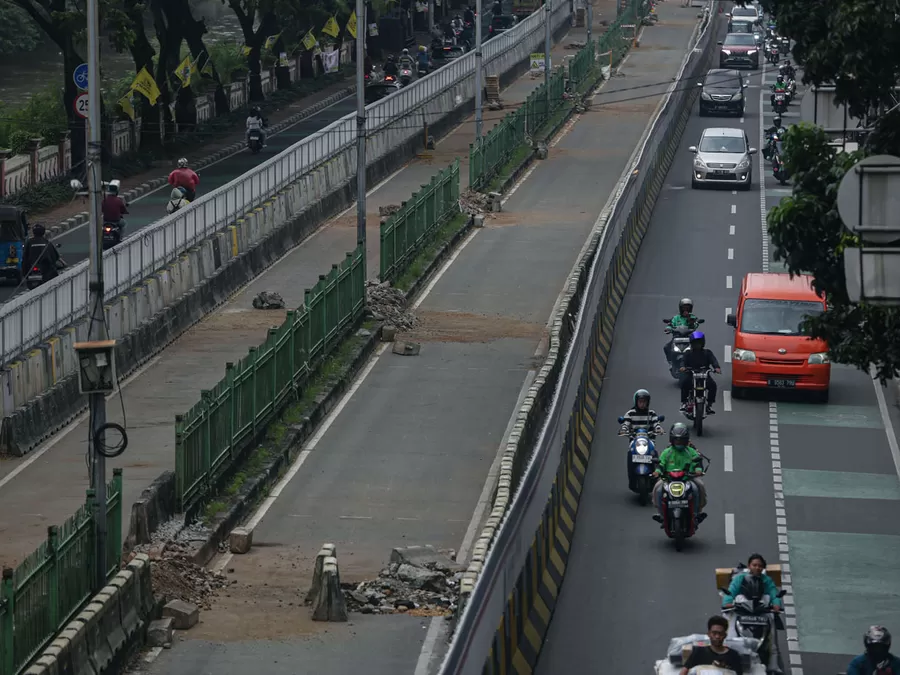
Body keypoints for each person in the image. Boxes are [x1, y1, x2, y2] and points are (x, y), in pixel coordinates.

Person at [722, 553, 784, 674]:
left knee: (772, 640)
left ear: (763, 568)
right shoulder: (739, 578)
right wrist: (728, 603)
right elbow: (731, 592)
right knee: (728, 628)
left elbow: (773, 594)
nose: (757, 567)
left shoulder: (767, 580)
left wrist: (776, 605)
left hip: (762, 612)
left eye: (760, 566)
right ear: (749, 566)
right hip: (741, 611)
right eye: (754, 565)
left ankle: (774, 666)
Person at [651, 423, 707, 521]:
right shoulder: (667, 452)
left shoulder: (691, 451)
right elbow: (661, 464)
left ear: (686, 440)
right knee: (658, 489)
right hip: (668, 479)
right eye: (676, 440)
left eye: (681, 440)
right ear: (672, 440)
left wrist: (698, 470)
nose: (679, 442)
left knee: (698, 487)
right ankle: (661, 515)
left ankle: (697, 513)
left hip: (688, 479)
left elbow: (698, 463)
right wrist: (657, 472)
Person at [680, 331, 721, 414]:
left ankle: (709, 405)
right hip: (692, 375)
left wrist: (716, 367)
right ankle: (684, 403)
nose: (697, 345)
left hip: (704, 375)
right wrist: (683, 367)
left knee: (713, 386)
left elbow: (714, 360)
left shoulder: (707, 353)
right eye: (695, 343)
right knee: (684, 384)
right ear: (692, 343)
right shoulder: (688, 353)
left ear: (702, 343)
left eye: (699, 343)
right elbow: (683, 361)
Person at [664, 297, 700, 363]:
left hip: (689, 337)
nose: (686, 309)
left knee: (698, 347)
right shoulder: (676, 318)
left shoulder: (693, 317)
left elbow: (695, 325)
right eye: (684, 307)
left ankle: (697, 362)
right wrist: (668, 329)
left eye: (688, 308)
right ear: (680, 308)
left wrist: (689, 319)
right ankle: (670, 361)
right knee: (666, 347)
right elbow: (670, 324)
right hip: (677, 337)